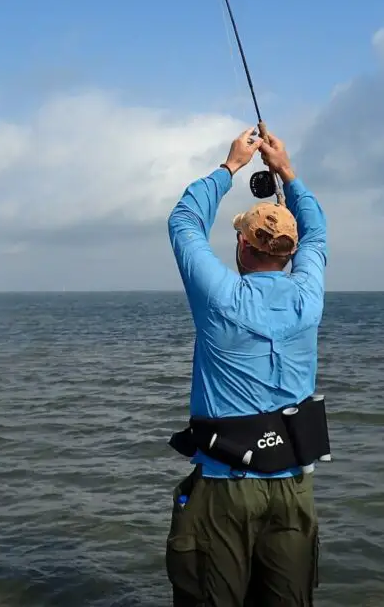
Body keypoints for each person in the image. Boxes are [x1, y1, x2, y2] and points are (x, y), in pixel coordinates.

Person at [165, 128, 328, 607]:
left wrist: (230, 166)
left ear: (242, 247)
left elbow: (183, 222)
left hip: (225, 488)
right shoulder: (309, 297)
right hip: (293, 486)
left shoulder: (220, 297)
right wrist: (289, 174)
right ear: (289, 254)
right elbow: (316, 231)